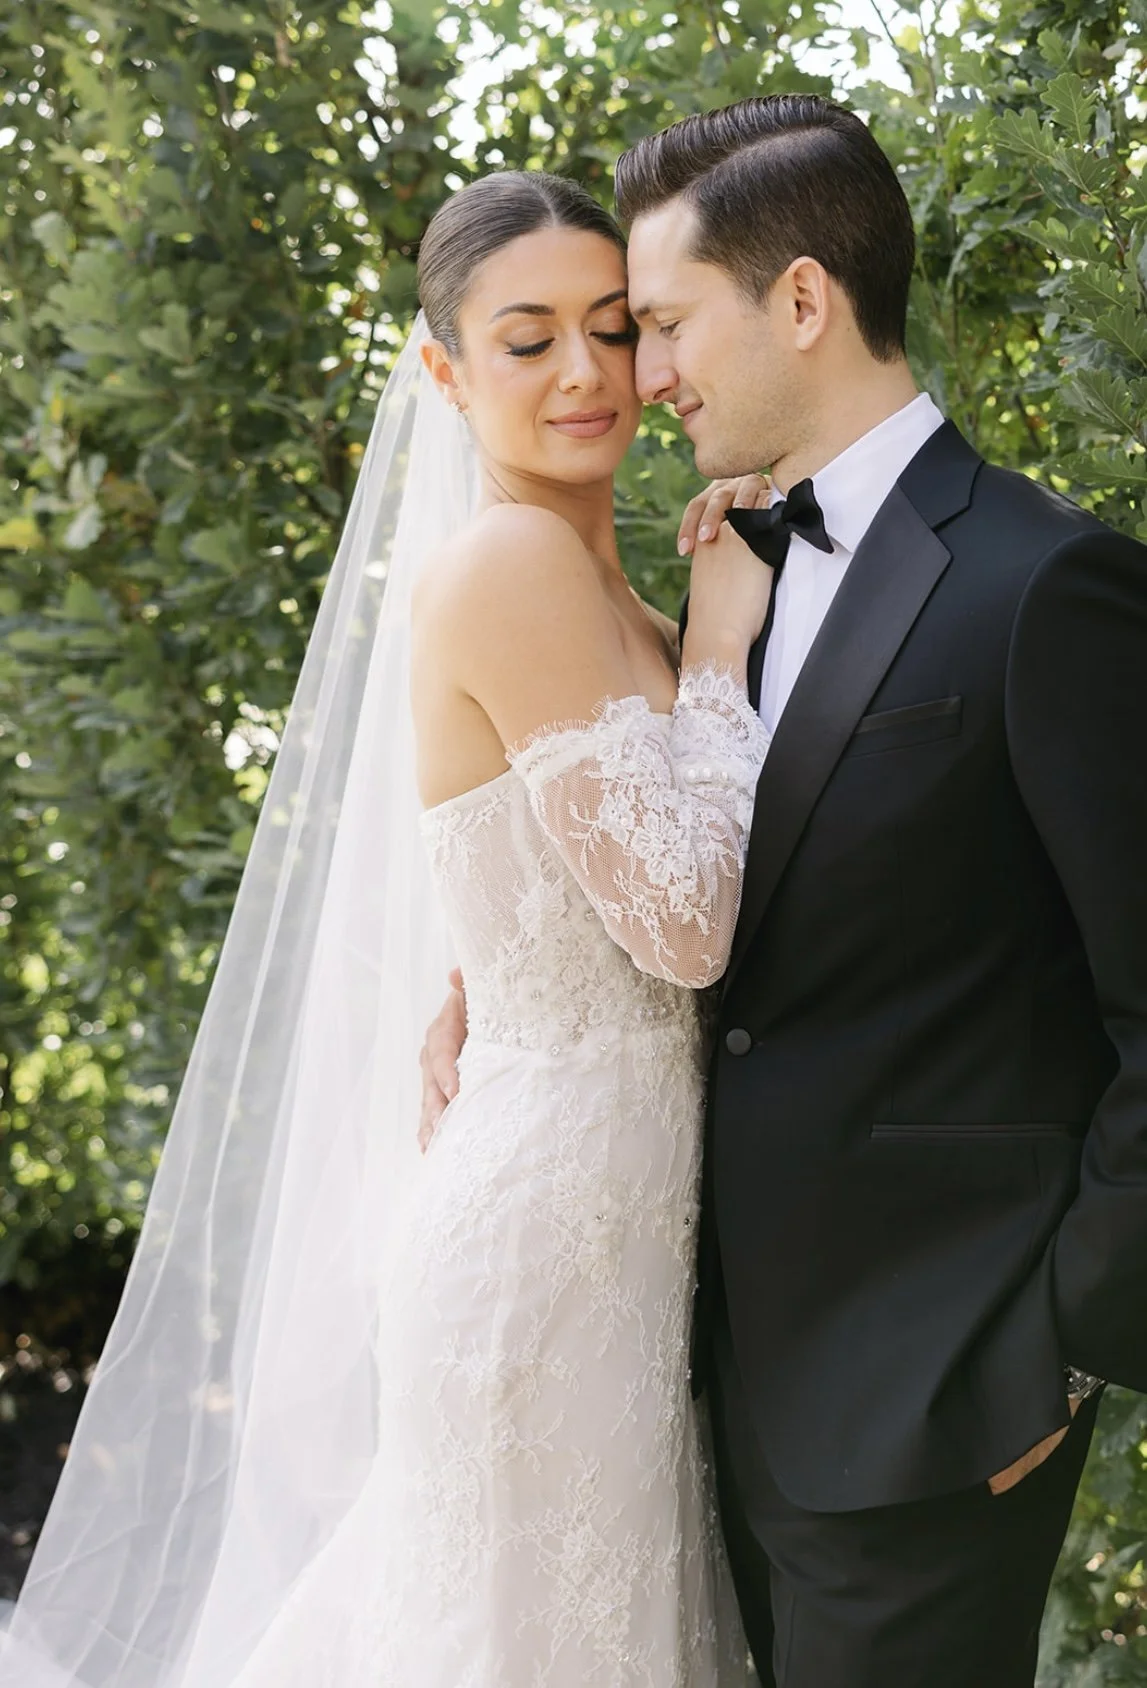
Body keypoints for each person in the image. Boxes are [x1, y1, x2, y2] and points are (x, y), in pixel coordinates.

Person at [0, 171, 776, 1687]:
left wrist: (477, 973)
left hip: (610, 1229)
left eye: (613, 331)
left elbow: (569, 880)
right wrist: (729, 649)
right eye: (526, 338)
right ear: (441, 371)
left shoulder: (602, 579)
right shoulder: (512, 565)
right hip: (549, 1245)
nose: (582, 373)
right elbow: (688, 928)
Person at [422, 96, 1147, 1688]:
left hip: (932, 1410)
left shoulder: (1044, 585)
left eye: (658, 323)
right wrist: (500, 973)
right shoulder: (698, 561)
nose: (640, 374)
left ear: (801, 302)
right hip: (668, 1384)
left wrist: (1066, 1354)